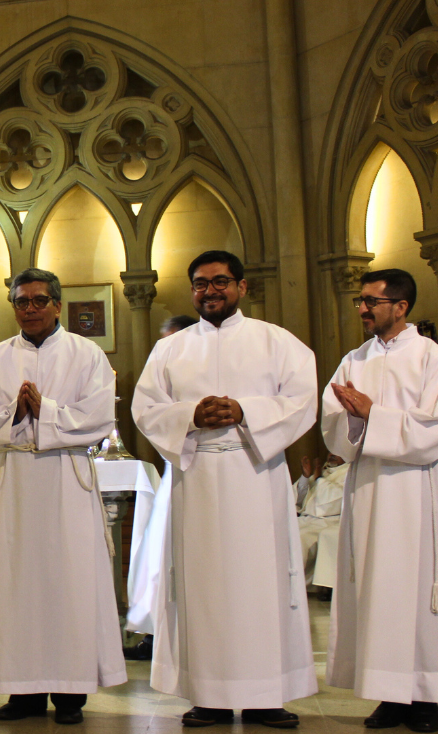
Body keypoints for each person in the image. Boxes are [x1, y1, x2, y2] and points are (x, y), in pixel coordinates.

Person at [133, 251, 317, 729]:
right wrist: (190, 416)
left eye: (220, 282)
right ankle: (208, 695)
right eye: (200, 284)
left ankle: (266, 696)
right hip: (196, 478)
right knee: (202, 587)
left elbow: (302, 401)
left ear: (242, 287)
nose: (210, 291)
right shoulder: (170, 350)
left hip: (255, 476)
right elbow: (146, 408)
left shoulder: (277, 342)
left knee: (263, 584)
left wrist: (245, 412)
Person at [322, 268, 438, 732]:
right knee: (377, 590)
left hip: (417, 489)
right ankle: (388, 695)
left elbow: (436, 429)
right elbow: (334, 430)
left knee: (418, 590)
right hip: (371, 487)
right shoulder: (352, 361)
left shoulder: (433, 357)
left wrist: (373, 413)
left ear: (400, 307)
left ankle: (424, 699)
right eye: (359, 301)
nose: (361, 309)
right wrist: (354, 421)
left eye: (371, 302)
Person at [0, 267, 122, 725]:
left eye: (37, 300)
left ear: (56, 304)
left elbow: (98, 417)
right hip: (12, 481)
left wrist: (44, 411)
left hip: (64, 479)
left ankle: (70, 694)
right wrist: (14, 413)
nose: (28, 309)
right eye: (20, 301)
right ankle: (21, 691)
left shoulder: (86, 354)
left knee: (69, 582)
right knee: (14, 584)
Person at [123, 314, 197, 661]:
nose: (163, 346)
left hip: (210, 469)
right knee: (156, 558)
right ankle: (154, 633)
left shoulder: (197, 365)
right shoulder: (164, 367)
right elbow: (151, 413)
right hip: (177, 471)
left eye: (169, 339)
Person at [294, 454, 347, 599]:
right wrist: (305, 477)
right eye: (330, 451)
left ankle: (291, 587)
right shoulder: (323, 471)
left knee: (298, 540)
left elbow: (331, 503)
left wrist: (318, 479)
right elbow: (297, 502)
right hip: (305, 521)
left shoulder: (350, 472)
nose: (331, 455)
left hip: (327, 522)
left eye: (337, 452)